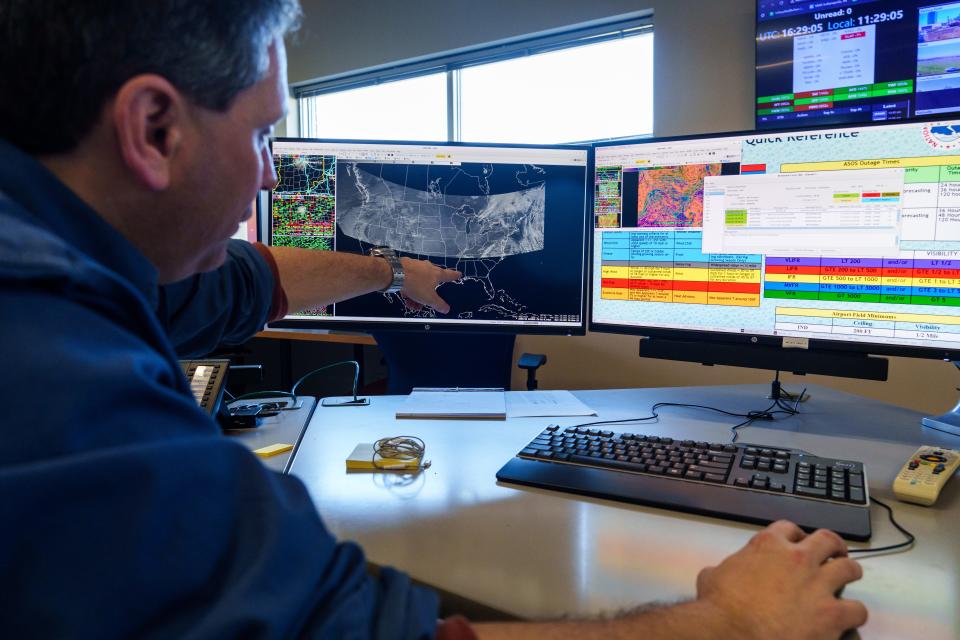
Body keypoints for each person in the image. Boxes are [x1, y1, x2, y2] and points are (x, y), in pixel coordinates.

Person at [0, 2, 867, 638]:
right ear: (152, 129)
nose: (269, 178)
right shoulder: (58, 375)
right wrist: (730, 620)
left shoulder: (57, 256)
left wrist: (392, 269)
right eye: (267, 135)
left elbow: (232, 285)